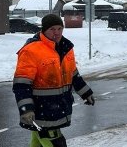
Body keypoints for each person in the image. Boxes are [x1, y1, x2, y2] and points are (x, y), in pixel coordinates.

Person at [12, 14, 95, 147]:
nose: (56, 32)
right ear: (44, 30)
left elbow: (73, 74)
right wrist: (26, 109)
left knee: (38, 141)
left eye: (59, 28)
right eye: (52, 29)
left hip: (59, 107)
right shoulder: (32, 50)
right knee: (55, 142)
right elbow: (22, 83)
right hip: (42, 110)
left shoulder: (66, 48)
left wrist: (86, 93)